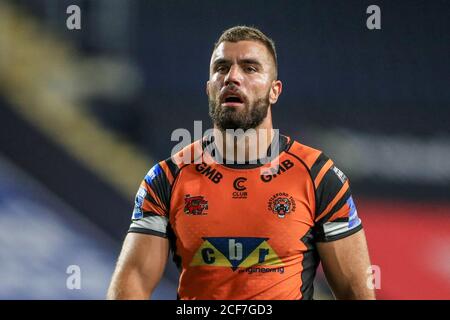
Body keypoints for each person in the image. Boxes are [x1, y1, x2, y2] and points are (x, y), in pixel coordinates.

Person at [107, 26, 375, 300]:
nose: (232, 77)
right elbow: (133, 282)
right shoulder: (166, 178)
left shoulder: (319, 177)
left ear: (274, 91)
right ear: (210, 88)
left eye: (249, 68)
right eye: (221, 68)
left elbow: (356, 291)